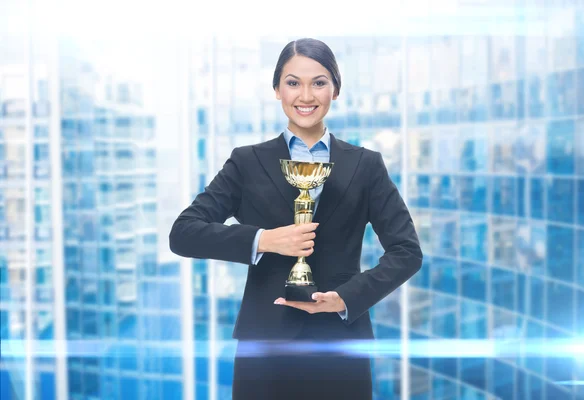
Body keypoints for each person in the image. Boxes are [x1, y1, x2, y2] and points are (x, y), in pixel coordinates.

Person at [169, 38, 422, 400]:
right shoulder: (246, 162)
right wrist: (263, 240)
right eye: (293, 83)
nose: (306, 95)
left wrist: (345, 298)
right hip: (265, 350)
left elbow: (407, 252)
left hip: (340, 344)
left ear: (336, 90)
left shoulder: (365, 166)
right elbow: (183, 233)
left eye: (319, 82)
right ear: (276, 90)